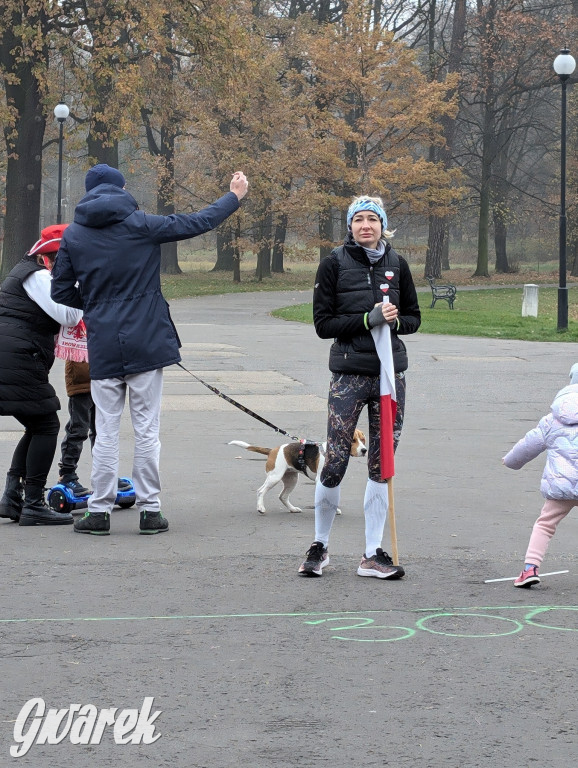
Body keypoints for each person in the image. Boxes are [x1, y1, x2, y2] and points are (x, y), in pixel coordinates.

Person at [51, 163, 249, 535]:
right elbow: (198, 222)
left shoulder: (75, 235)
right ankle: (150, 510)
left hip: (104, 346)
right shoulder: (142, 224)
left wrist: (94, 302)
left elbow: (60, 292)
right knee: (146, 429)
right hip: (147, 341)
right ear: (122, 189)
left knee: (106, 430)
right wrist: (234, 196)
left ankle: (98, 512)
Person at [298, 195, 421, 578]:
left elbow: (414, 318)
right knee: (334, 461)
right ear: (349, 226)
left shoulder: (398, 264)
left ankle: (372, 553)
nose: (366, 226)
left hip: (388, 377)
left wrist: (394, 323)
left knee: (381, 465)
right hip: (349, 374)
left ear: (383, 225)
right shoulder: (333, 263)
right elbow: (323, 326)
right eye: (359, 220)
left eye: (373, 219)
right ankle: (319, 546)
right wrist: (368, 319)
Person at [0, 225, 83, 526]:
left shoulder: (30, 271)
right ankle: (32, 501)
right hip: (16, 356)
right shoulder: (38, 276)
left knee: (37, 422)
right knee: (47, 423)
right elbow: (70, 314)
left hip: (15, 354)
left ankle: (13, 496)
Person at [503, 380, 578, 588]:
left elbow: (529, 444)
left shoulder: (552, 421)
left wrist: (510, 461)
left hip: (561, 488)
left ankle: (530, 569)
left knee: (545, 525)